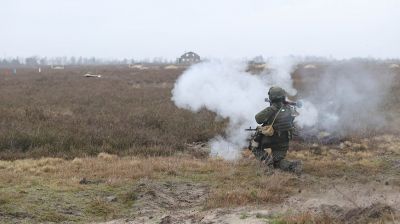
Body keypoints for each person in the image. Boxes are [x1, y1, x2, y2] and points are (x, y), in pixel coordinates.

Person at [250, 86, 302, 173]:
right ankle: (292, 167)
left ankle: (267, 161)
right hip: (283, 140)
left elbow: (258, 119)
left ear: (271, 97)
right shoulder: (289, 109)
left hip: (269, 139)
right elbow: (291, 120)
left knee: (253, 145)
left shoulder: (271, 110)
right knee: (278, 161)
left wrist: (272, 108)